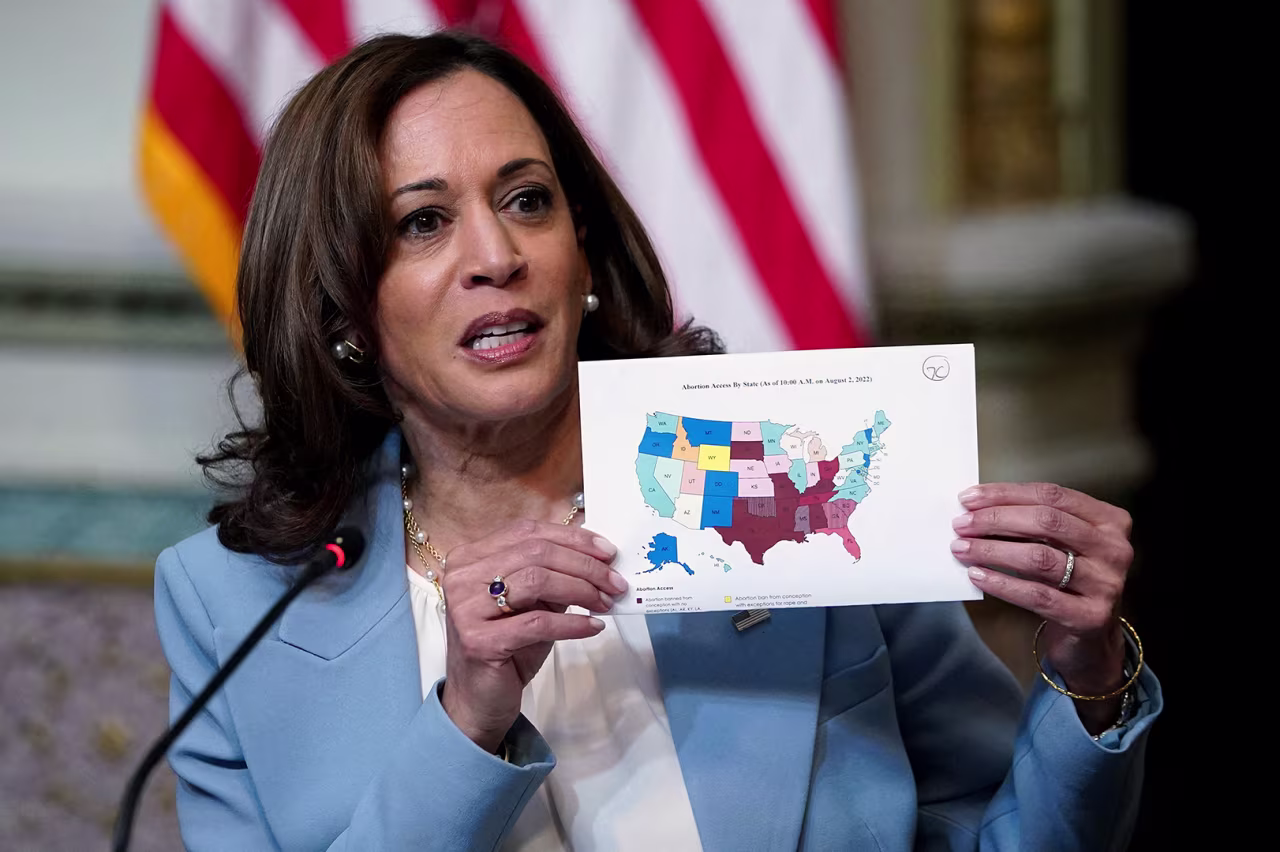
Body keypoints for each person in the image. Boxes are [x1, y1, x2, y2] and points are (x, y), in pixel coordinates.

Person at [154, 31, 1161, 852]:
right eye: (421, 223)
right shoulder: (230, 606)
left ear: (580, 251)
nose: (496, 256)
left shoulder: (792, 476)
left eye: (526, 201)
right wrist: (465, 720)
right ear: (341, 308)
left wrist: (1088, 681)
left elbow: (998, 830)